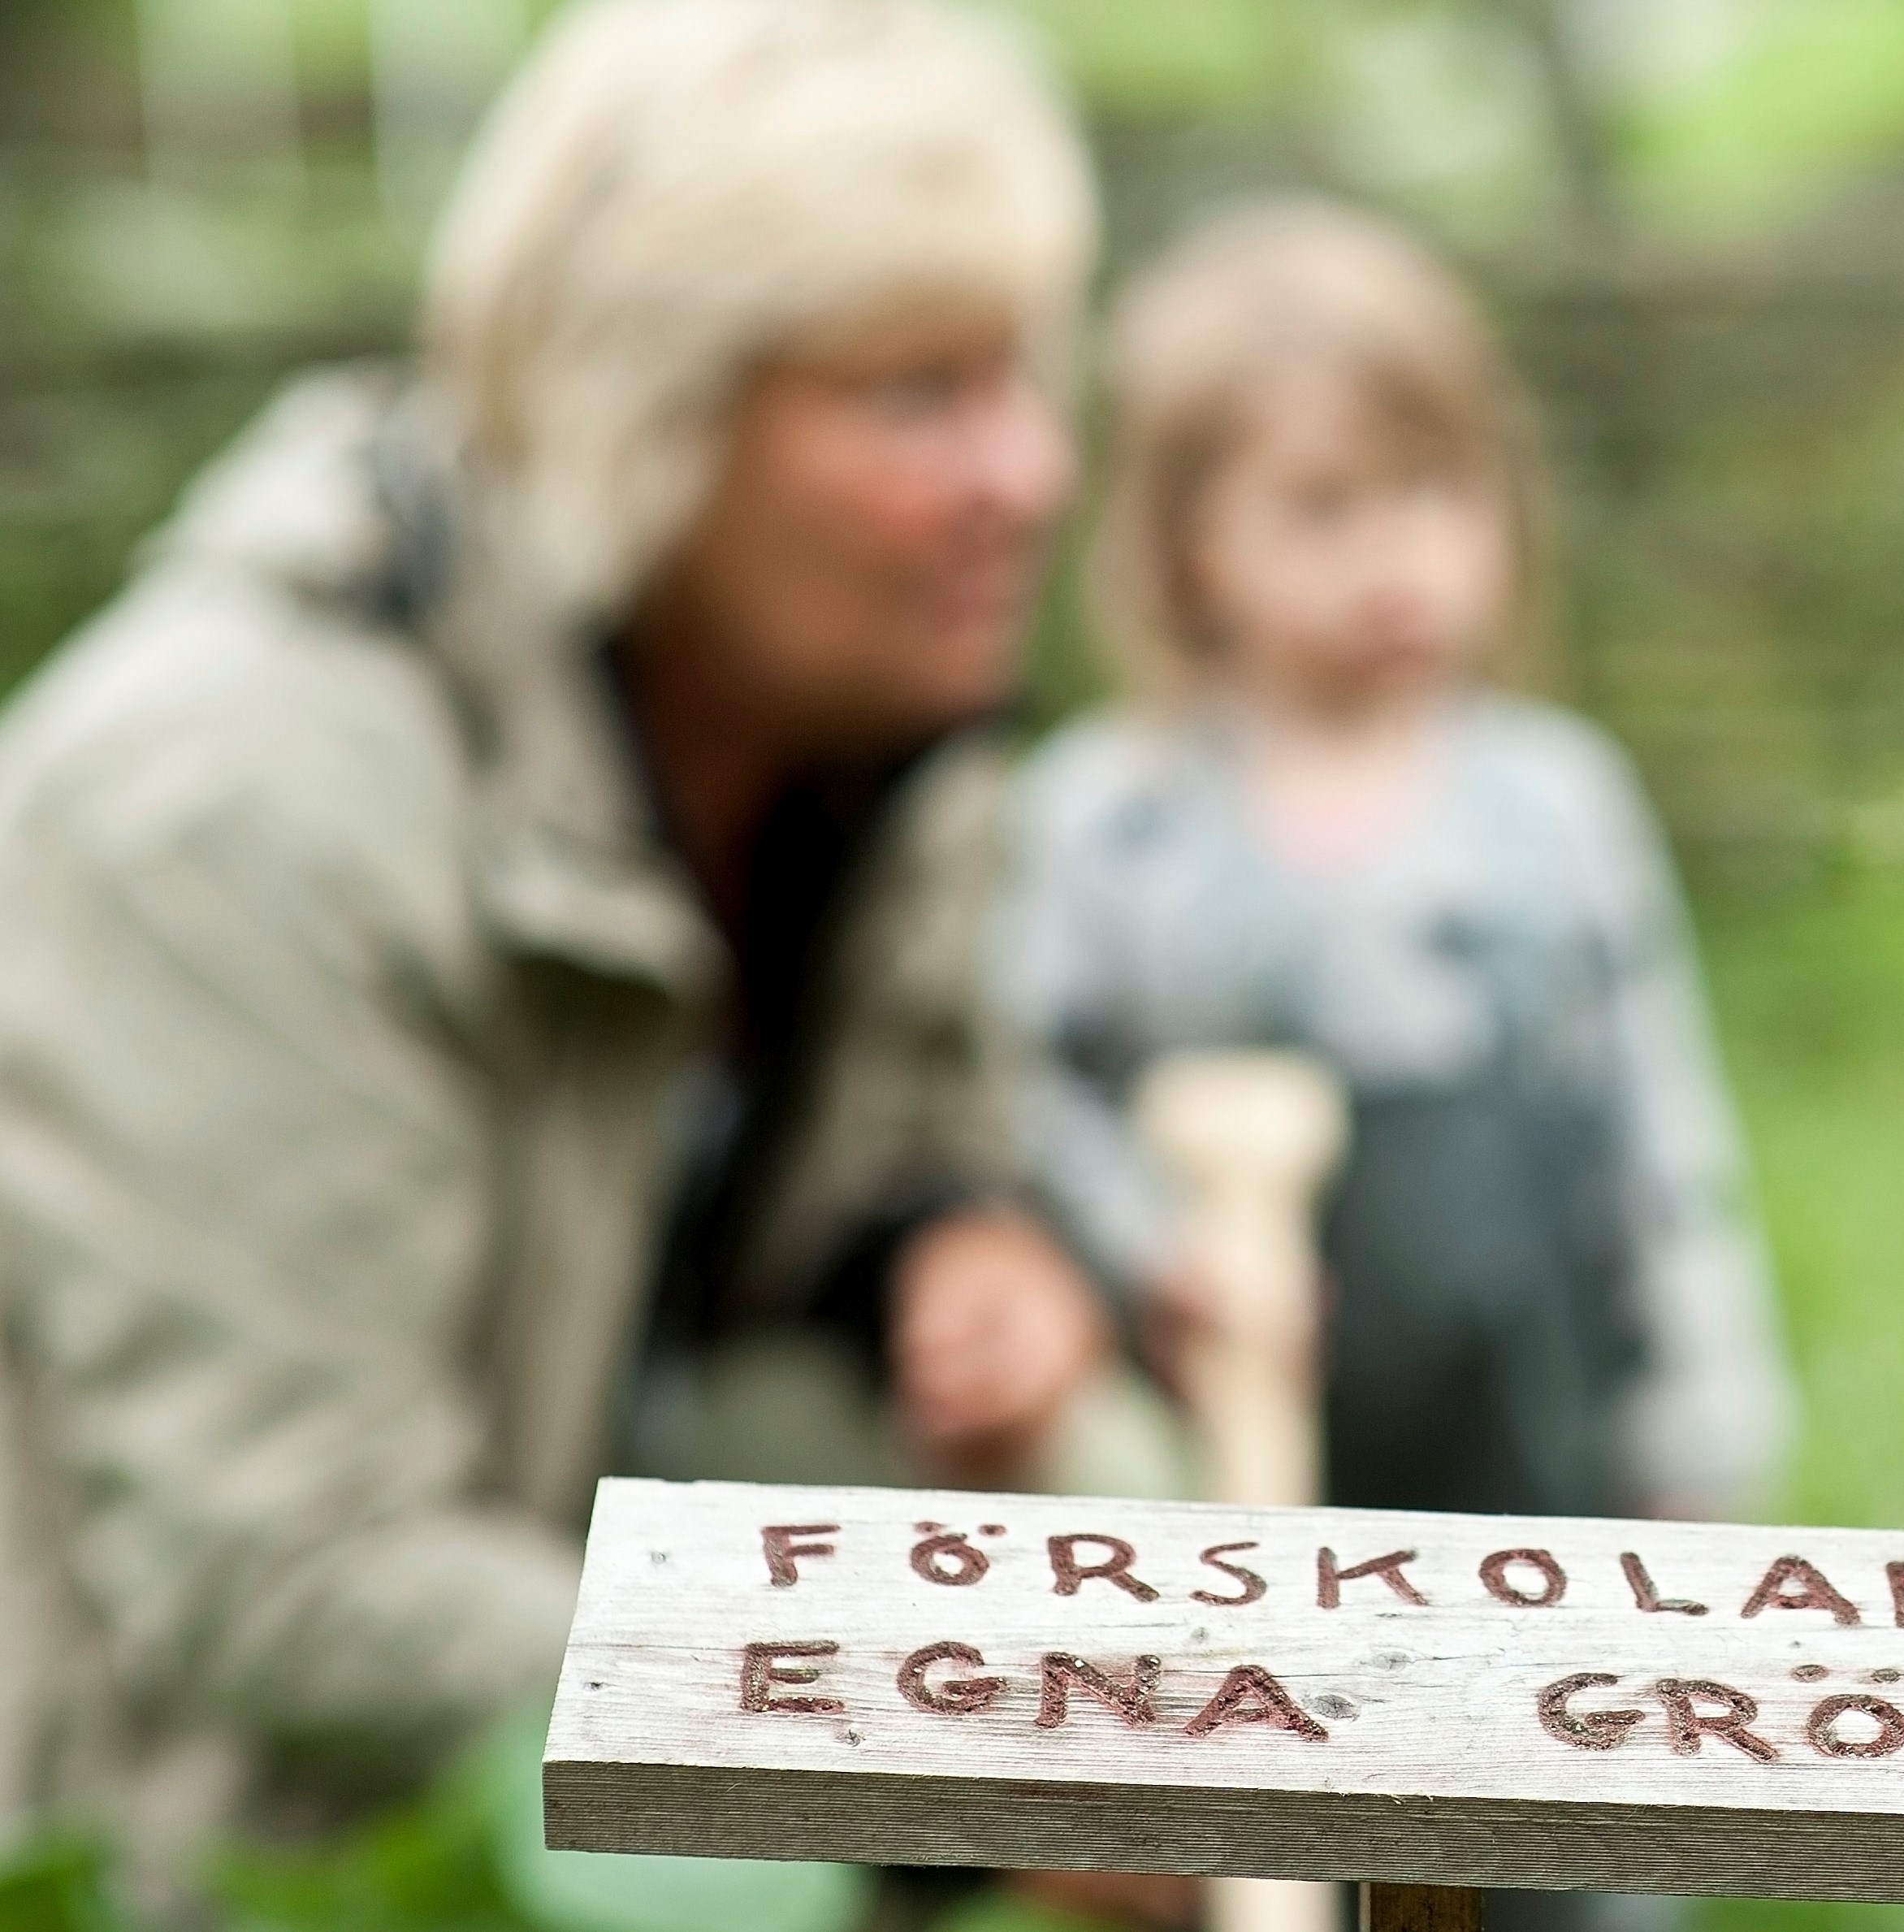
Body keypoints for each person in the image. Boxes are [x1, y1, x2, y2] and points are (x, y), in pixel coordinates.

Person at [0, 0, 1158, 1910]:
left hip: (608, 1704)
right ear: (657, 404)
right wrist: (993, 1753)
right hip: (207, 1838)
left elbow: (872, 1182)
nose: (1028, 472)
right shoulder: (239, 806)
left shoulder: (855, 742)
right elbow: (296, 1579)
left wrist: (965, 1247)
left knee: (1136, 1484)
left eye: (1027, 376)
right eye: (915, 395)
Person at [1009, 201, 1794, 1537]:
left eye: (1435, 490)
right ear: (1194, 546)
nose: (1396, 559)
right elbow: (1024, 1099)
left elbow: (1653, 1136)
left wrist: (1700, 1435)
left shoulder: (1553, 805)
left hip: (1526, 1458)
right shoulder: (1109, 820)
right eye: (1323, 507)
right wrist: (1153, 1256)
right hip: (1209, 1450)